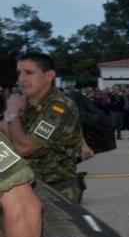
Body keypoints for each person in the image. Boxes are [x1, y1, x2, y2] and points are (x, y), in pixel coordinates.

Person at [5, 53, 83, 203]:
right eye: (19, 73)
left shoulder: (59, 107)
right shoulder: (27, 103)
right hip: (31, 187)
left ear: (49, 76)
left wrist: (12, 113)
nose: (21, 79)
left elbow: (24, 148)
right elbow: (9, 139)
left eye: (29, 73)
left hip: (56, 193)